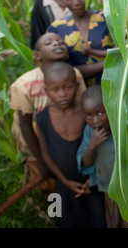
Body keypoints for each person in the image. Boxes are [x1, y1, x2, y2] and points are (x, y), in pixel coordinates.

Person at [10, 32, 86, 192]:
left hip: (67, 145)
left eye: (60, 42)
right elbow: (25, 127)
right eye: (49, 42)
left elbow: (81, 109)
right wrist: (42, 161)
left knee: (72, 186)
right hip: (36, 148)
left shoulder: (75, 76)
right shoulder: (24, 85)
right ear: (37, 55)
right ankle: (54, 215)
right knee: (50, 188)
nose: (57, 44)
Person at [35, 62, 106, 228]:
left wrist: (93, 177)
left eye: (68, 87)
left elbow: (100, 144)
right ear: (46, 91)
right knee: (69, 222)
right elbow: (46, 154)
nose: (63, 94)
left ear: (77, 85)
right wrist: (66, 182)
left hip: (94, 181)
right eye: (56, 89)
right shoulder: (42, 118)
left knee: (100, 221)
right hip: (64, 185)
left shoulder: (87, 113)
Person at [76, 85, 128, 227]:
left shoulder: (125, 126)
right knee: (116, 222)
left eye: (100, 113)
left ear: (111, 107)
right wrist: (92, 146)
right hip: (110, 190)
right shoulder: (89, 132)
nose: (95, 121)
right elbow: (85, 164)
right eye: (88, 116)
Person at [46, 0, 114, 87]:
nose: (76, 2)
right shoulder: (56, 28)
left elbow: (126, 51)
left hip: (115, 87)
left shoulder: (109, 19)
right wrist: (110, 63)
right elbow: (59, 69)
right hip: (78, 94)